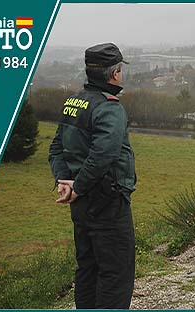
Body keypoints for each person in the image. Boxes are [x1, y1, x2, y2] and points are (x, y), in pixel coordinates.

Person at [48, 42, 137, 308]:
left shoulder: (74, 102)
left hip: (82, 203)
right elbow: (103, 155)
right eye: (121, 69)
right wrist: (78, 186)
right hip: (108, 202)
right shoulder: (109, 108)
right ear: (114, 74)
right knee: (115, 273)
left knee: (87, 268)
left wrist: (66, 183)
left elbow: (56, 149)